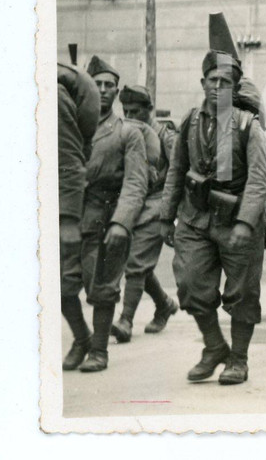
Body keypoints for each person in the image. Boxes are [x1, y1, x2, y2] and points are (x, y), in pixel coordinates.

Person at [160, 13, 266, 384]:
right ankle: (213, 346)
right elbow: (176, 169)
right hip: (195, 218)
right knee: (191, 284)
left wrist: (246, 222)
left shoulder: (247, 126)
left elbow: (259, 179)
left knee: (242, 293)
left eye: (226, 82)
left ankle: (238, 358)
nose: (218, 87)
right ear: (203, 83)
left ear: (234, 87)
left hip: (237, 221)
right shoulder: (190, 121)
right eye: (213, 81)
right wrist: (166, 216)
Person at [61, 56, 149, 373]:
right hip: (71, 214)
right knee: (60, 284)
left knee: (102, 287)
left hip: (106, 218)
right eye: (96, 84)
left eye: (109, 85)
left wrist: (122, 222)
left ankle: (99, 350)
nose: (102, 89)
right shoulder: (69, 127)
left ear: (116, 91)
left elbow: (136, 182)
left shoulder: (128, 133)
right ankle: (81, 338)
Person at [109, 85, 180, 343]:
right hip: (133, 203)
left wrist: (173, 213)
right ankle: (164, 304)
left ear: (149, 109)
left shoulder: (166, 136)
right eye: (126, 111)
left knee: (137, 262)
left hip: (157, 204)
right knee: (137, 262)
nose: (129, 116)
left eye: (135, 111)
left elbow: (179, 173)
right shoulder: (125, 133)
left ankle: (126, 320)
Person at [57, 62, 101, 370]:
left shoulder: (47, 91)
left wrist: (69, 220)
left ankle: (83, 337)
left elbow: (70, 158)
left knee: (61, 281)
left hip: (59, 204)